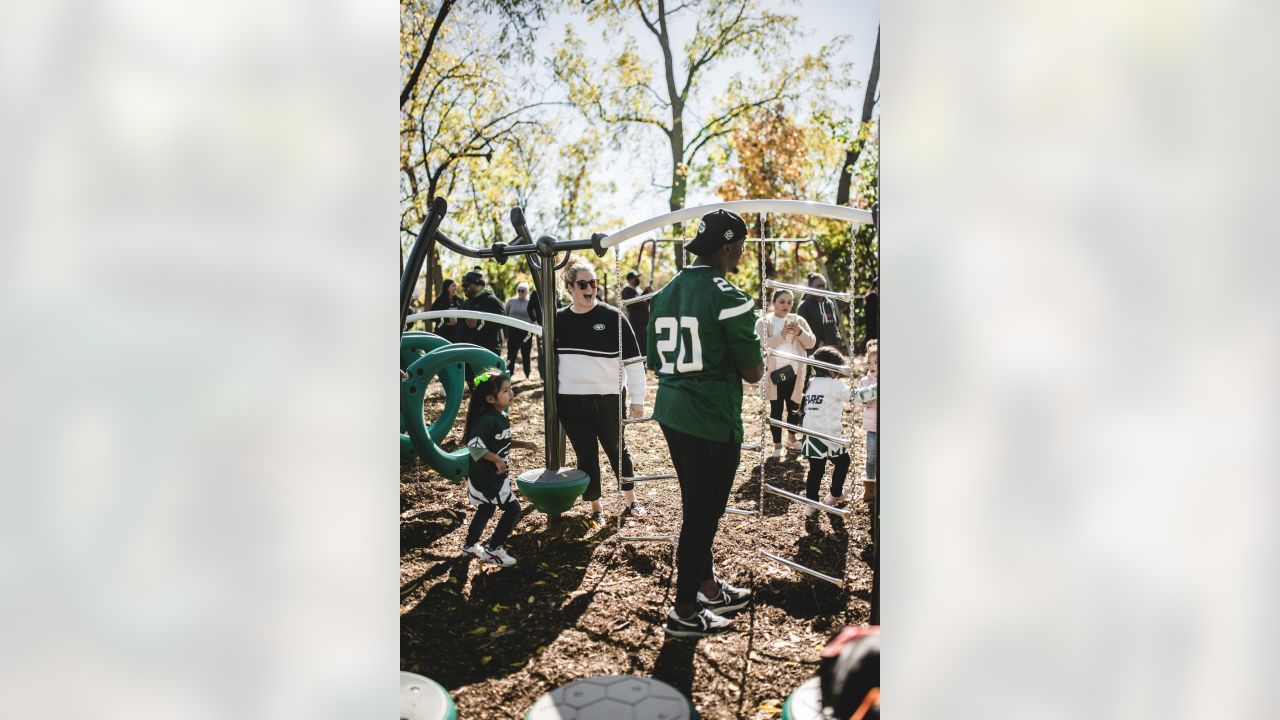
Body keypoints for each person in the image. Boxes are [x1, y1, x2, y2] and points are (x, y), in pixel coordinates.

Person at [647, 209, 764, 638]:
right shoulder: (730, 297)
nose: (741, 256)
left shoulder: (664, 292)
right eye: (740, 248)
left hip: (672, 411)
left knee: (697, 506)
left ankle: (708, 587)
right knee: (702, 515)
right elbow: (752, 373)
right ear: (729, 246)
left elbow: (656, 361)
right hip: (710, 419)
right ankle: (683, 611)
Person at [554, 256, 648, 528]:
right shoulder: (558, 320)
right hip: (570, 401)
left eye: (593, 283)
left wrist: (637, 399)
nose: (590, 288)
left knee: (618, 450)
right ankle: (596, 506)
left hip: (608, 398)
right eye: (583, 283)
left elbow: (633, 361)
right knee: (586, 455)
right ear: (570, 287)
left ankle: (631, 500)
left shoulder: (613, 317)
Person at [460, 369, 537, 567]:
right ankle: (494, 550)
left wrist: (524, 444)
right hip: (489, 476)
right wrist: (497, 460)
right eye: (505, 390)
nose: (511, 393)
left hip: (489, 475)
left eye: (510, 389)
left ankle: (470, 546)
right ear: (490, 398)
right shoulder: (486, 420)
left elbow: (501, 441)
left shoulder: (499, 415)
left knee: (487, 507)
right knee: (513, 509)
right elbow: (474, 446)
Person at [756, 289, 816, 458]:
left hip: (797, 373)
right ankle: (777, 445)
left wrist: (799, 333)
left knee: (794, 407)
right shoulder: (763, 322)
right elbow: (762, 345)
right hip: (774, 374)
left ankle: (791, 437)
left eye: (789, 302)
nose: (786, 305)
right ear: (773, 302)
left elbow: (811, 342)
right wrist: (782, 335)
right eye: (781, 301)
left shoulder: (798, 320)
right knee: (776, 409)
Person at [799, 347, 853, 518]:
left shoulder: (810, 382)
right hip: (829, 435)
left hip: (811, 435)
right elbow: (855, 396)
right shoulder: (835, 385)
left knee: (816, 469)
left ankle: (811, 504)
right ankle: (835, 494)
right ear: (831, 369)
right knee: (843, 461)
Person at [458, 269, 505, 358]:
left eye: (467, 285)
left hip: (486, 353)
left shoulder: (492, 301)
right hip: (465, 353)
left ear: (479, 285)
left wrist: (479, 323)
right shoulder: (466, 303)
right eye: (463, 285)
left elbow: (503, 322)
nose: (464, 288)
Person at [855, 343, 878, 505]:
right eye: (869, 362)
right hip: (872, 428)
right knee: (871, 457)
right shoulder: (864, 381)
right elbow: (858, 401)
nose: (872, 365)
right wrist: (866, 400)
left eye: (876, 362)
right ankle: (870, 487)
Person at [797, 272, 840, 353]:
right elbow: (801, 329)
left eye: (823, 286)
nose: (821, 289)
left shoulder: (829, 303)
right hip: (813, 351)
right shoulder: (804, 306)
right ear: (810, 287)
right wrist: (817, 342)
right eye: (818, 286)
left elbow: (835, 324)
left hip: (832, 349)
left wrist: (836, 338)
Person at [504, 282, 534, 379]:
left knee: (526, 353)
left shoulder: (530, 303)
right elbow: (505, 314)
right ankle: (509, 373)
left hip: (526, 332)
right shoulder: (511, 301)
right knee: (511, 353)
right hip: (513, 331)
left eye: (523, 290)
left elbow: (534, 317)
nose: (520, 292)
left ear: (527, 292)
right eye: (519, 290)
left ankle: (527, 373)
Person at [620, 270, 652, 352]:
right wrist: (645, 292)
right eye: (635, 278)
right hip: (637, 322)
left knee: (646, 343)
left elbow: (644, 302)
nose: (637, 279)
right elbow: (634, 302)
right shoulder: (627, 290)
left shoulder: (637, 290)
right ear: (630, 280)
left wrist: (649, 294)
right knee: (641, 344)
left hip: (643, 322)